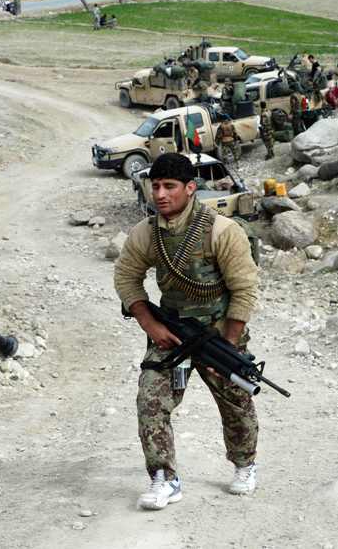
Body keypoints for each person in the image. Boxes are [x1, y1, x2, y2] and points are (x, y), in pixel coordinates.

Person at [113, 152, 261, 511]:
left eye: (170, 186)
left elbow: (244, 289)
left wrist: (227, 346)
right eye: (156, 186)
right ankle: (163, 478)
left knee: (236, 400)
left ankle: (244, 465)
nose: (160, 194)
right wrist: (151, 324)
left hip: (219, 331)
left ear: (191, 188)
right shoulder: (147, 233)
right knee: (150, 397)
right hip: (174, 332)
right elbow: (126, 277)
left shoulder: (222, 230)